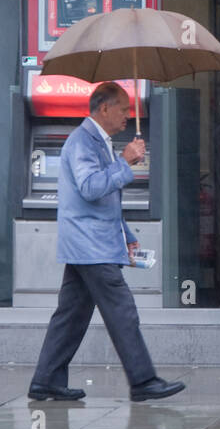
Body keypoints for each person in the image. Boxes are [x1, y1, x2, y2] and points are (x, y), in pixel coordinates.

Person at [29, 82, 185, 402]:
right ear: (104, 109)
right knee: (122, 310)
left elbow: (107, 200)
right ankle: (143, 381)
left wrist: (125, 237)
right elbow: (90, 188)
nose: (129, 116)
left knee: (70, 317)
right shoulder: (83, 143)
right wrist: (125, 162)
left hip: (92, 243)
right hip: (90, 246)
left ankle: (46, 381)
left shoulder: (101, 142)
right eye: (123, 109)